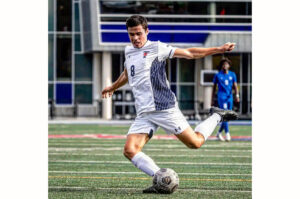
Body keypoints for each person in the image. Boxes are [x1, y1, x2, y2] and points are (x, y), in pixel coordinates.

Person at [102, 15, 238, 193]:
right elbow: (128, 73)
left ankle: (216, 115)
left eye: (138, 33)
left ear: (146, 31)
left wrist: (218, 49)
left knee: (195, 143)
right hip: (144, 112)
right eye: (131, 34)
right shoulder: (129, 51)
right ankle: (161, 179)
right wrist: (113, 86)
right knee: (130, 150)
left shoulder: (157, 48)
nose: (135, 38)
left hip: (164, 108)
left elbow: (189, 53)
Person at [211, 58, 240, 141]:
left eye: (226, 64)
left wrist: (237, 95)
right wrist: (212, 99)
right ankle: (227, 133)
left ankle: (219, 133)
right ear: (221, 66)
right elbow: (213, 88)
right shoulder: (218, 75)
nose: (225, 66)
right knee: (225, 114)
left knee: (229, 115)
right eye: (223, 64)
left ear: (229, 66)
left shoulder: (232, 74)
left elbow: (235, 86)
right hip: (221, 97)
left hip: (229, 97)